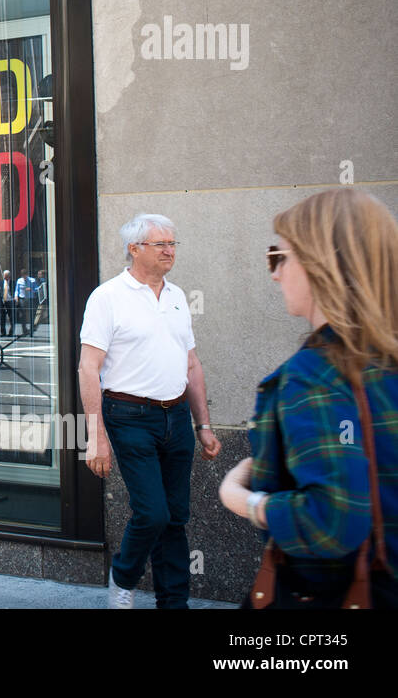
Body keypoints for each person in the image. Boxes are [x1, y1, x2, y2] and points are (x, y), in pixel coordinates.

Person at [219, 189, 398, 608]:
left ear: (321, 263)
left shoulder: (315, 375)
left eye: (278, 256)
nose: (275, 273)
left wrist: (243, 499)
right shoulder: (383, 358)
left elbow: (333, 520)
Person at [78, 213, 221, 609]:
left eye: (173, 243)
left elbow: (191, 364)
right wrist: (96, 436)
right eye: (161, 244)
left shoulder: (176, 296)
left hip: (176, 417)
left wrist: (203, 424)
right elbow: (88, 368)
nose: (170, 251)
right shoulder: (107, 297)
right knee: (153, 513)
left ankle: (173, 603)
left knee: (175, 515)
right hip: (128, 416)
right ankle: (123, 578)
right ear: (134, 248)